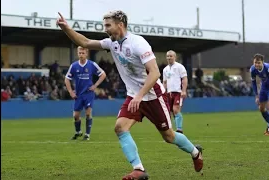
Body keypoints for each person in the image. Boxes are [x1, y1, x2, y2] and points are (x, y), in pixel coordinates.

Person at [57, 10, 203, 179]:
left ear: (120, 24)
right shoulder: (112, 43)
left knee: (169, 136)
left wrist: (140, 95)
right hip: (134, 96)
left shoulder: (138, 43)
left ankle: (195, 153)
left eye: (108, 25)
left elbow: (155, 72)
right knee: (120, 127)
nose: (105, 29)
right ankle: (139, 169)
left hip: (153, 95)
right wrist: (66, 28)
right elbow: (85, 42)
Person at [65, 46, 106, 140]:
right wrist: (71, 91)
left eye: (83, 53)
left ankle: (87, 134)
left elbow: (103, 74)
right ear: (77, 53)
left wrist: (95, 86)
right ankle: (78, 131)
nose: (81, 55)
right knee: (75, 116)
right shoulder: (74, 66)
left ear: (86, 54)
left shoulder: (92, 64)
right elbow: (67, 79)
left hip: (88, 93)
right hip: (78, 94)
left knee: (88, 113)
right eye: (79, 53)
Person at [250, 53, 269, 135]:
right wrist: (256, 95)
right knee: (261, 108)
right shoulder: (252, 69)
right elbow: (253, 83)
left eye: (258, 62)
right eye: (255, 62)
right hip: (264, 87)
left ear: (262, 62)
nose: (257, 64)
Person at [162, 50, 188, 134]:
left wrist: (183, 90)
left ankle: (179, 129)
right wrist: (163, 92)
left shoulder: (180, 67)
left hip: (178, 92)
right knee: (169, 112)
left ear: (175, 57)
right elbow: (165, 82)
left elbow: (184, 79)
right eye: (167, 56)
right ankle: (171, 130)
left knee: (175, 109)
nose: (169, 58)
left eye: (171, 56)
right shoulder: (165, 69)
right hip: (169, 93)